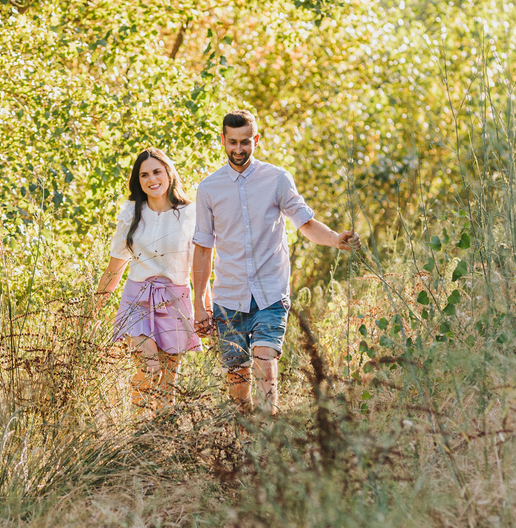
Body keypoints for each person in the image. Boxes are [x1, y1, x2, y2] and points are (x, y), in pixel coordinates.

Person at [191, 111, 361, 414]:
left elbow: (306, 223)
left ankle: (268, 428)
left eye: (245, 142)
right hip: (228, 296)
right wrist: (199, 303)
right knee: (237, 380)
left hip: (270, 292)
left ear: (255, 140)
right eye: (233, 142)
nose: (239, 149)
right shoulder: (208, 189)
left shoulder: (277, 179)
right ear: (223, 141)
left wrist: (336, 239)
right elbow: (203, 248)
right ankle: (246, 432)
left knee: (265, 361)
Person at [96, 148, 204, 409]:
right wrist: (94, 308)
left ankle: (162, 431)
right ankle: (138, 424)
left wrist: (204, 306)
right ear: (138, 180)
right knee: (148, 369)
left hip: (175, 299)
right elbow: (115, 266)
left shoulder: (190, 214)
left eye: (157, 172)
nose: (151, 179)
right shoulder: (131, 212)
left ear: (169, 173)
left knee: (168, 382)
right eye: (144, 175)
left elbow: (199, 269)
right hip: (137, 298)